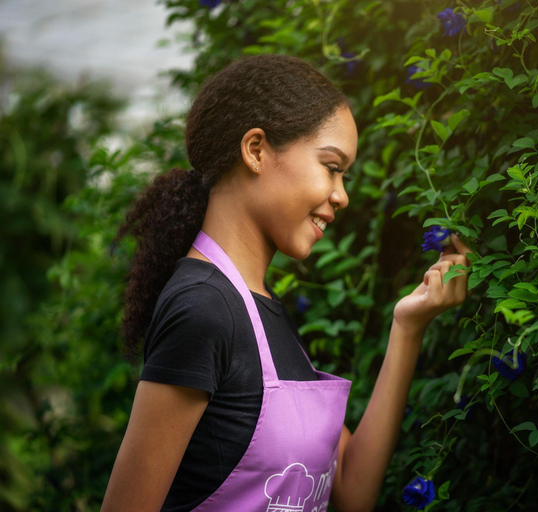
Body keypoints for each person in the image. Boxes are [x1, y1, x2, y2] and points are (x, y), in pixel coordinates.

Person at [101, 53, 472, 512]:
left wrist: (408, 327)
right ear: (255, 150)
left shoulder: (259, 309)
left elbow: (351, 489)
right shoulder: (203, 309)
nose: (342, 194)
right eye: (331, 166)